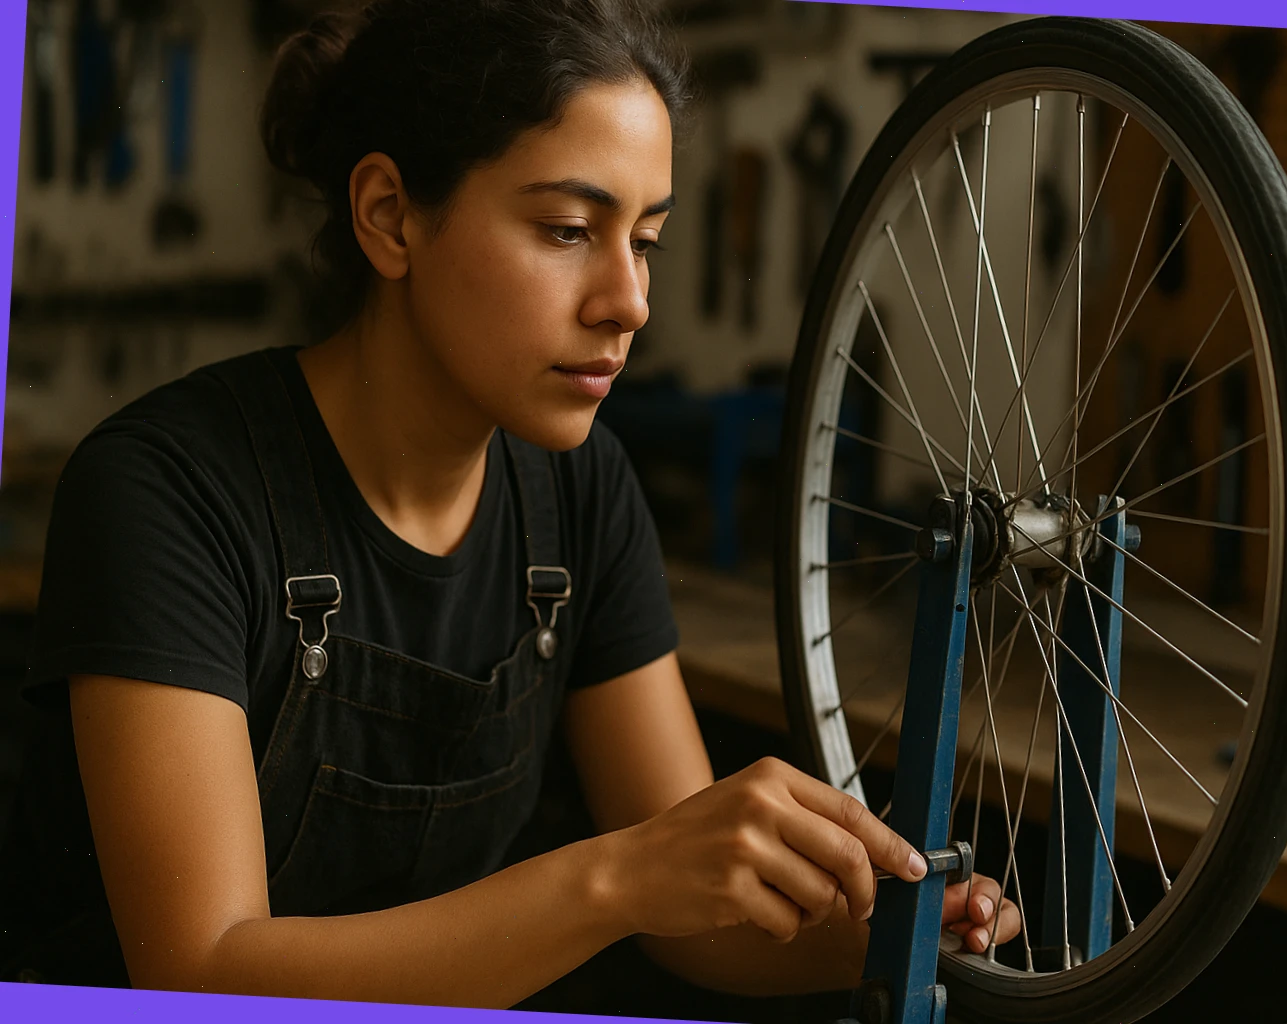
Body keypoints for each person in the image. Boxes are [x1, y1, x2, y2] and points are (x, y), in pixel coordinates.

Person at [0, 0, 1020, 1010]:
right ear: (390, 216)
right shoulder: (168, 493)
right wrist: (614, 877)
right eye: (570, 229)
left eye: (647, 240)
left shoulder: (581, 492)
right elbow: (202, 970)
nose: (629, 301)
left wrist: (890, 935)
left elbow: (693, 922)